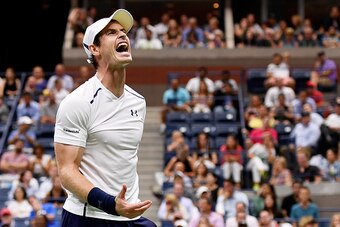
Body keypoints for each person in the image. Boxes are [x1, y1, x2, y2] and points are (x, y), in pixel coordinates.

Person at [53, 9, 155, 226]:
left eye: (123, 31)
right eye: (111, 32)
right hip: (88, 217)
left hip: (127, 215)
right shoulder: (77, 102)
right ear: (94, 49)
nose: (122, 35)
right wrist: (110, 204)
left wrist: (123, 208)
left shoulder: (138, 102)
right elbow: (67, 172)